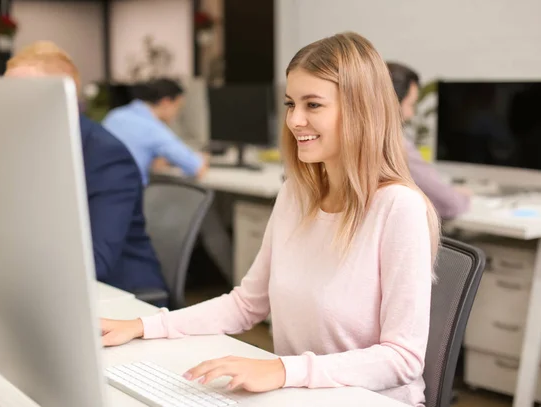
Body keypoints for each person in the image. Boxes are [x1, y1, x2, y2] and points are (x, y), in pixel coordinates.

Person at [100, 32, 440, 407]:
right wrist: (145, 326)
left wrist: (282, 371)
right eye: (291, 103)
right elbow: (247, 304)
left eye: (313, 105)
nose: (295, 120)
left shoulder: (398, 207)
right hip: (298, 394)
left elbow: (403, 358)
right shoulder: (297, 193)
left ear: (362, 110)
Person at [5, 41, 167, 297]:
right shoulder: (19, 146)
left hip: (122, 296)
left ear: (61, 100)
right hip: (43, 289)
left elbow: (95, 262)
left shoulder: (106, 156)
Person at [386, 61, 471, 219]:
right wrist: (464, 196)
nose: (410, 114)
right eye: (410, 105)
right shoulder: (396, 145)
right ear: (391, 103)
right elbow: (451, 204)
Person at [102, 78, 209, 185]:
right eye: (178, 107)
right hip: (127, 194)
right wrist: (202, 158)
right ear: (166, 102)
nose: (177, 114)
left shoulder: (114, 116)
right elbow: (197, 168)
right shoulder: (153, 129)